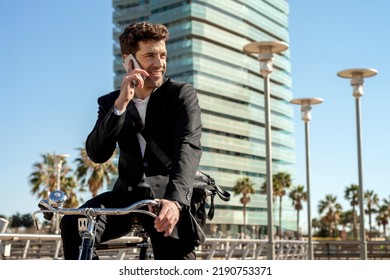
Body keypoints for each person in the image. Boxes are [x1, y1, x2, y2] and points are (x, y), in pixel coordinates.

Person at [60, 21, 202, 260]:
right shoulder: (109, 102)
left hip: (166, 196)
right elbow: (97, 154)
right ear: (129, 61)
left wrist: (174, 202)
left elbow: (189, 147)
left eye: (163, 55)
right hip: (125, 195)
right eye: (150, 56)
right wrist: (120, 105)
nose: (159, 64)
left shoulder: (181, 95)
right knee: (73, 223)